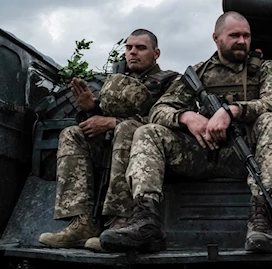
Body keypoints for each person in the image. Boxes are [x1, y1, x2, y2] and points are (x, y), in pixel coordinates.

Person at [99, 11, 272, 253]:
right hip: (201, 154)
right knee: (148, 132)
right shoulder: (198, 73)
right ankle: (145, 220)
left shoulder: (264, 69)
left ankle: (261, 220)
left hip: (248, 157)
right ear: (216, 38)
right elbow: (159, 109)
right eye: (235, 35)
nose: (242, 41)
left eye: (246, 36)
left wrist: (233, 111)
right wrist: (186, 117)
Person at [38, 29, 178, 251]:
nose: (133, 53)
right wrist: (91, 109)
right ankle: (81, 223)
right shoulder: (117, 81)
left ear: (156, 53)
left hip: (147, 152)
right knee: (72, 134)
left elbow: (166, 120)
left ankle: (121, 221)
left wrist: (115, 121)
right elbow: (101, 117)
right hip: (109, 145)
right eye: (129, 47)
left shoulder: (170, 80)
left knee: (127, 128)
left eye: (140, 48)